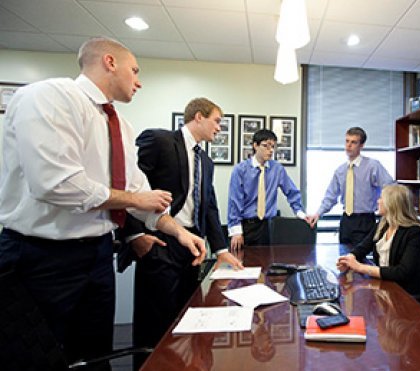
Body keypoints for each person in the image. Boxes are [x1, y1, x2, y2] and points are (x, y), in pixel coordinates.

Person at [0, 37, 206, 368]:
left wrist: (178, 231)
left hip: (96, 255)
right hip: (41, 257)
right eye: (135, 71)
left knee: (96, 355)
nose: (139, 81)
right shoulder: (49, 96)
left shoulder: (120, 125)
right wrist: (137, 198)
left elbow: (141, 194)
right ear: (110, 62)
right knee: (36, 355)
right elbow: (57, 185)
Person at [121, 97, 243, 368]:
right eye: (217, 121)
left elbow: (210, 206)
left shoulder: (206, 160)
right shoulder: (160, 141)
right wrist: (135, 236)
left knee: (185, 318)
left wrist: (221, 250)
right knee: (156, 323)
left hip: (191, 244)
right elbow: (128, 187)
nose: (220, 128)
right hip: (159, 239)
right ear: (198, 117)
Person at [336, 184, 420, 297]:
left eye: (381, 198)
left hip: (402, 293)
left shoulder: (415, 232)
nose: (378, 201)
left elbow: (402, 272)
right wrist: (349, 259)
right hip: (382, 287)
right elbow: (363, 247)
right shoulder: (383, 225)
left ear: (392, 204)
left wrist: (360, 267)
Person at [307, 127, 394, 246]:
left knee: (361, 259)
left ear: (362, 145)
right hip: (346, 221)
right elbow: (330, 197)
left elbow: (390, 187)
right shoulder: (340, 170)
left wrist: (388, 210)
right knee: (344, 257)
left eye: (353, 142)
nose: (349, 145)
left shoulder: (372, 166)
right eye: (347, 141)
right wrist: (318, 214)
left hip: (365, 220)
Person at [228, 129, 311, 250]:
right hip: (246, 226)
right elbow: (235, 201)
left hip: (269, 227)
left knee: (267, 265)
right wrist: (236, 231)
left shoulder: (277, 169)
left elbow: (291, 192)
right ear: (255, 146)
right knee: (245, 265)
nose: (271, 150)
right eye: (266, 146)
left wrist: (300, 213)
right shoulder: (240, 170)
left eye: (273, 146)